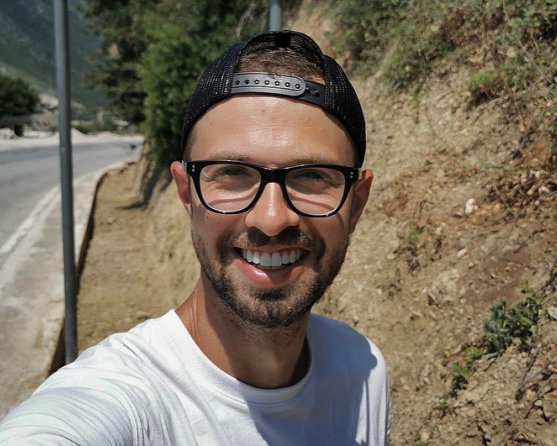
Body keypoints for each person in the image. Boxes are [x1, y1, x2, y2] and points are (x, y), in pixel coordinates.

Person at [0, 30, 390, 445]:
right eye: (233, 173)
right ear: (187, 193)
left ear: (357, 203)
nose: (272, 219)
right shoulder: (124, 399)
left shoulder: (362, 369)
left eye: (312, 176)